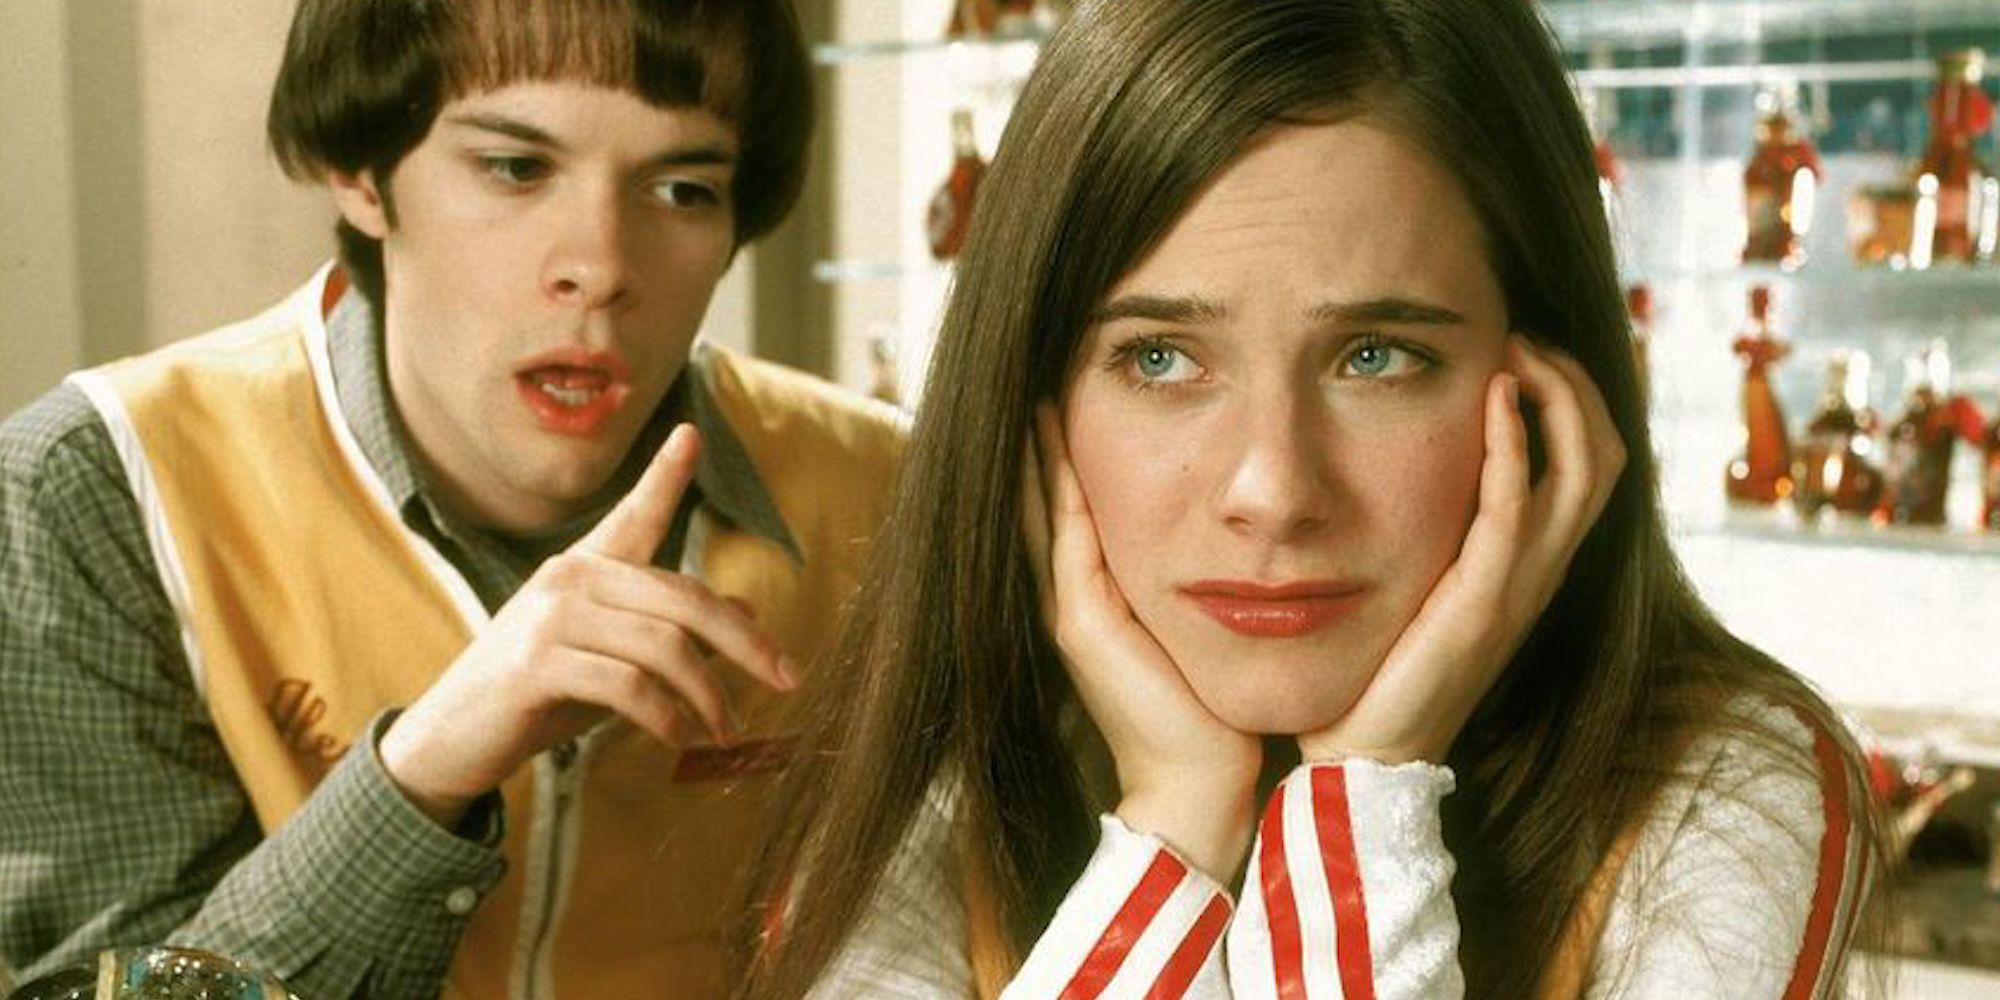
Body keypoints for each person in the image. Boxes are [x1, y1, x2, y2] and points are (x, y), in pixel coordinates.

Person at [734, 0, 1885, 997]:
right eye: (1159, 359)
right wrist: (1173, 825)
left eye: (1376, 356)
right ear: (1025, 395)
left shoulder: (1724, 793)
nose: (1272, 490)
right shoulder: (924, 778)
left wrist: (1359, 801)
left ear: (1542, 390)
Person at [0, 1, 903, 997]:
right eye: (516, 169)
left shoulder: (885, 490)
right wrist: (427, 766)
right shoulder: (94, 485)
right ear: (361, 174)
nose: (599, 268)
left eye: (683, 188)